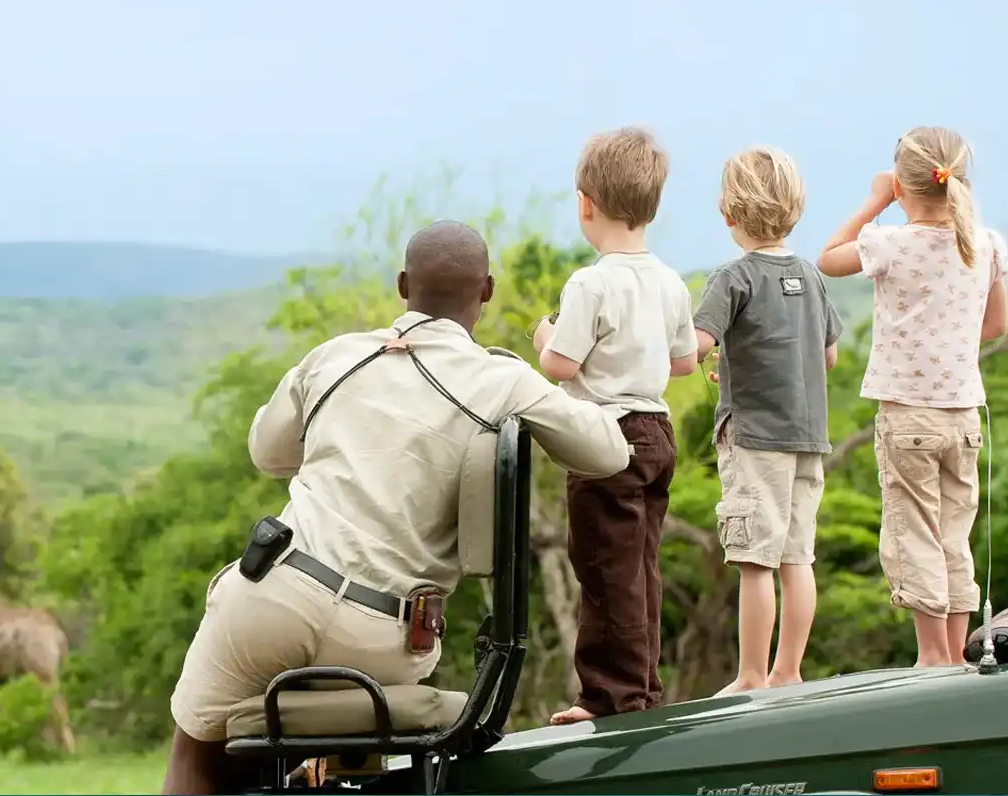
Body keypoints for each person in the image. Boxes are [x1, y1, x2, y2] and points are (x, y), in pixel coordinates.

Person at [162, 220, 632, 794]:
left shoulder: (336, 356)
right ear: (486, 292)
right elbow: (609, 452)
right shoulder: (500, 378)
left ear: (402, 285)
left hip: (274, 597)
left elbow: (268, 452)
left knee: (195, 753)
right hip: (387, 634)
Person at [815, 126, 1008, 667]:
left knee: (916, 531)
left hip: (907, 415)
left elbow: (828, 259)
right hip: (964, 414)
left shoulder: (889, 242)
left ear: (903, 186)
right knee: (954, 535)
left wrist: (876, 201)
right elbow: (994, 325)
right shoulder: (988, 244)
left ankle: (931, 658)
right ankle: (954, 653)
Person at [531, 126, 698, 726]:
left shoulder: (591, 282)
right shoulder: (670, 281)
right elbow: (684, 362)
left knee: (605, 568)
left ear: (585, 203)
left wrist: (543, 334)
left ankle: (610, 697)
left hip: (607, 437)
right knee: (641, 566)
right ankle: (643, 687)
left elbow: (560, 365)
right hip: (657, 430)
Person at [692, 146, 842, 694]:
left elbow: (698, 342)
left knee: (755, 559)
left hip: (756, 437)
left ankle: (751, 675)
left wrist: (705, 352)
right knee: (796, 557)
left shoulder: (732, 277)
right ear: (795, 209)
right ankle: (788, 671)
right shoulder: (809, 274)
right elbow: (826, 355)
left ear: (728, 213)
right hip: (808, 436)